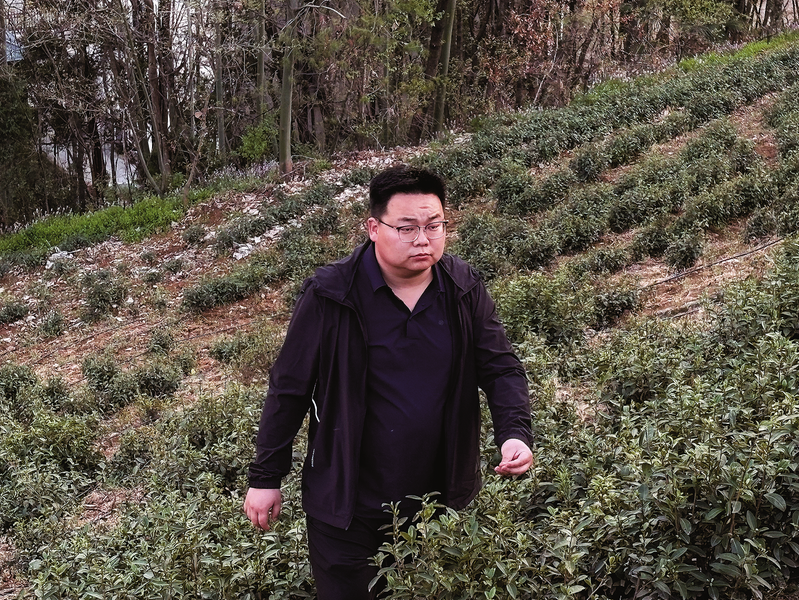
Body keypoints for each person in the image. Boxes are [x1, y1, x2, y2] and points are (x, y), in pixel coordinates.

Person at [243, 165, 534, 600]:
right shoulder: (330, 294)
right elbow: (289, 388)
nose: (423, 239)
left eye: (434, 226)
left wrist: (514, 433)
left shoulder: (462, 287)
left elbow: (500, 367)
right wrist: (266, 476)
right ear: (374, 228)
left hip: (438, 501)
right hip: (346, 506)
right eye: (407, 228)